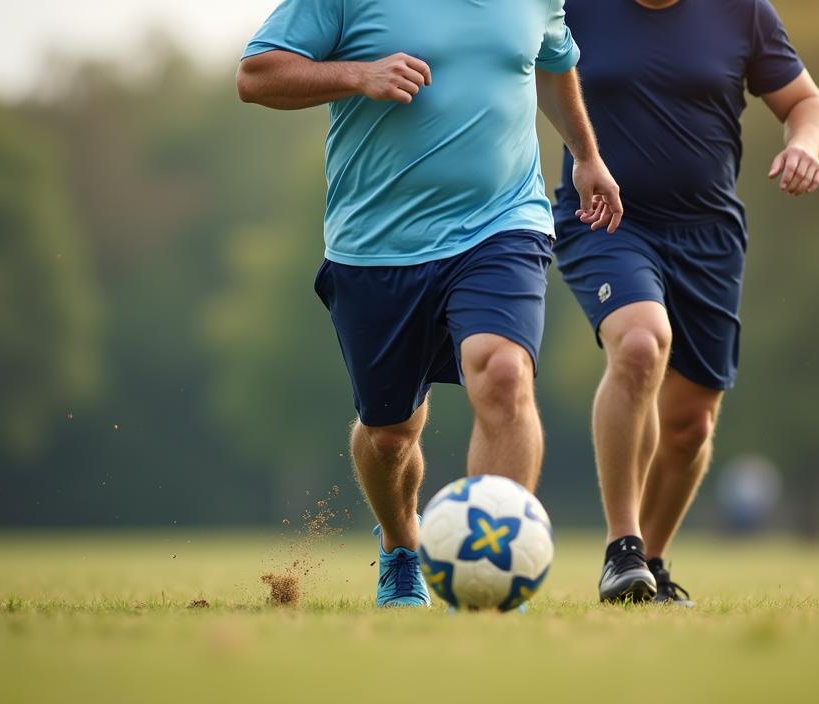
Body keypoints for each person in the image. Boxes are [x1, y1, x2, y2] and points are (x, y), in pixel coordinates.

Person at [238, 0, 623, 608]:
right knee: (391, 435)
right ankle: (400, 546)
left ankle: (494, 582)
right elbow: (256, 75)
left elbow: (552, 63)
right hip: (376, 245)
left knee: (503, 375)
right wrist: (356, 75)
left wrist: (586, 155)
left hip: (503, 224)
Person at [552, 0, 819, 605]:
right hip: (605, 218)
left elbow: (807, 104)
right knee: (639, 341)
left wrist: (806, 144)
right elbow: (520, 69)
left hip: (708, 233)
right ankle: (620, 548)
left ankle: (647, 567)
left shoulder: (743, 12)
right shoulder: (570, 7)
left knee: (689, 426)